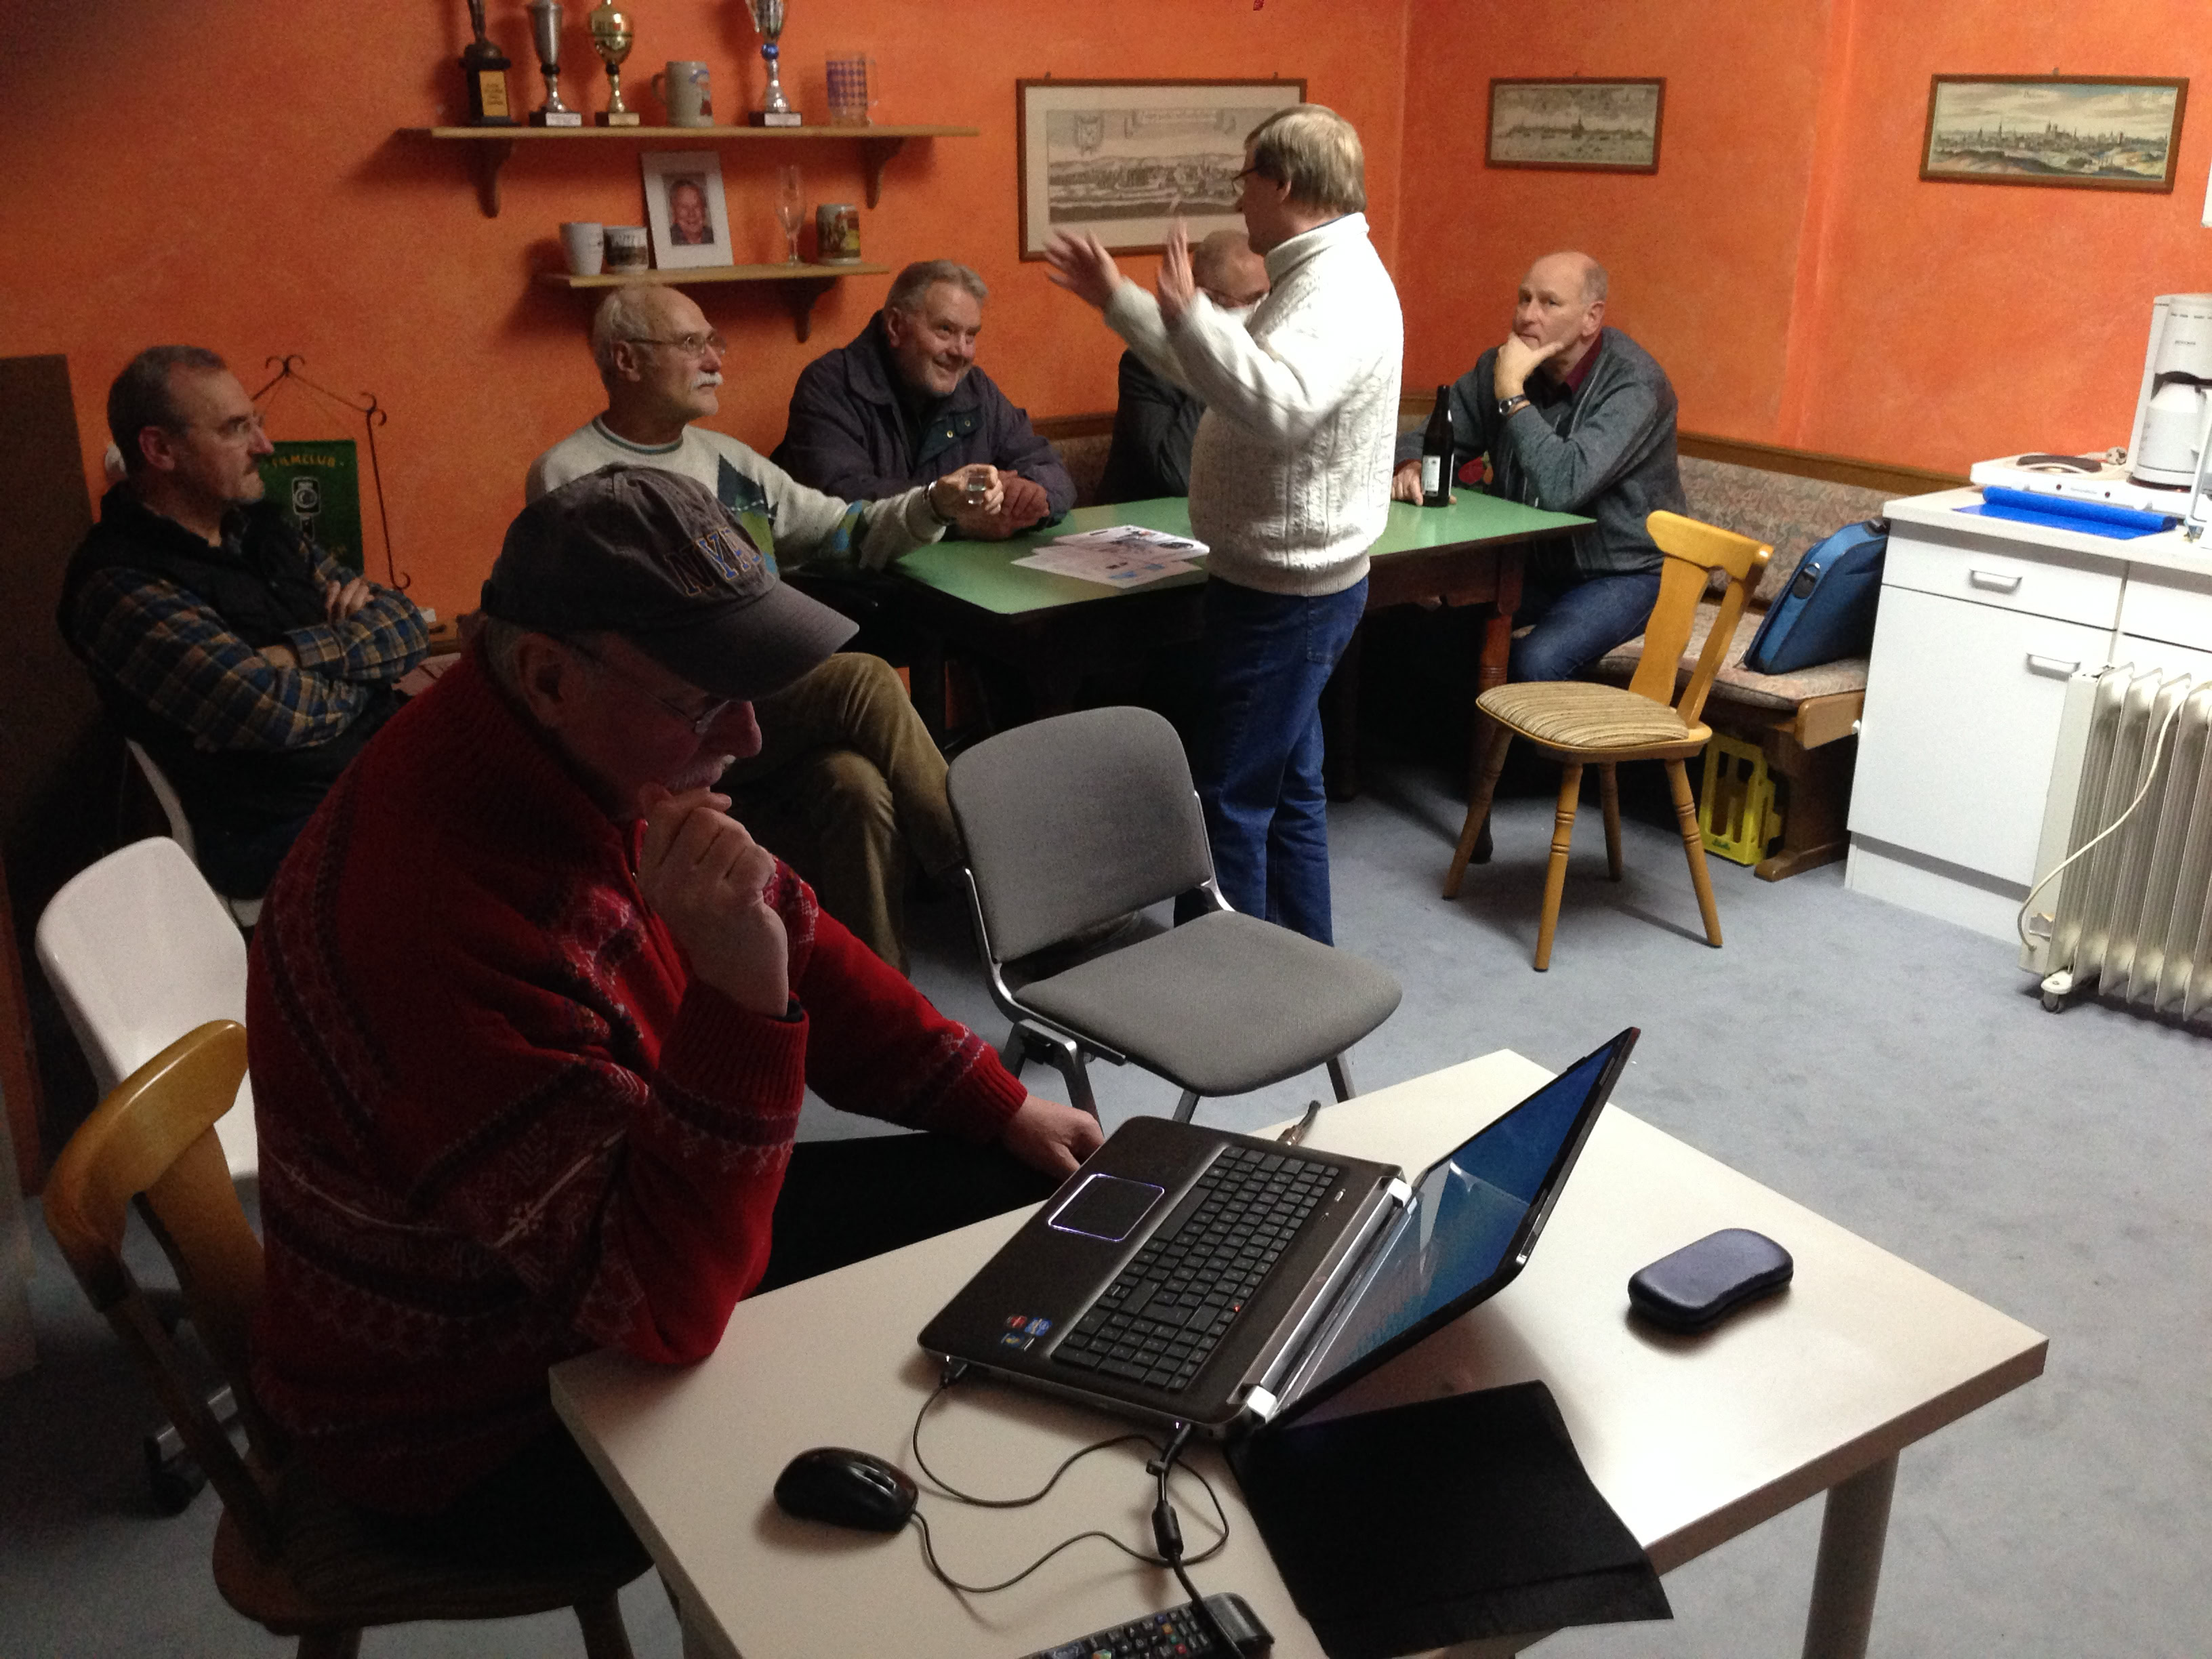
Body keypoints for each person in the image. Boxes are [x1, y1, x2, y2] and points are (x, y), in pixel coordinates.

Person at [246, 466, 1102, 1570]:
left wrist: (994, 1101)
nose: (747, 734)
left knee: (1014, 1196)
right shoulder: (429, 926)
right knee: (891, 1429)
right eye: (703, 702)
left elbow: (788, 921)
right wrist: (743, 1002)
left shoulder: (583, 760)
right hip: (469, 1422)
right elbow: (658, 1308)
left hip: (610, 1228)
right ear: (548, 676)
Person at [529, 285, 1007, 972]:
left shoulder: (732, 463)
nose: (715, 360)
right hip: (671, 720)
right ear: (626, 360)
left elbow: (845, 533)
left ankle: (880, 995)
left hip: (758, 710)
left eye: (713, 342)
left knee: (855, 785)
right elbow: (596, 643)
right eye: (692, 344)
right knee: (865, 680)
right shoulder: (571, 477)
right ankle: (999, 880)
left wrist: (934, 502)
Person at [1043, 105, 1401, 946]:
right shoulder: (1312, 273)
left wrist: (1190, 315)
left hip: (1288, 597)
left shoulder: (1339, 289)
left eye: (1245, 179)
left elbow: (1279, 406)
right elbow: (1221, 368)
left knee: (1229, 800)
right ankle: (1306, 966)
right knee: (1289, 793)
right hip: (1280, 586)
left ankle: (1222, 980)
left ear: (1285, 184)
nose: (1238, 197)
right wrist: (1127, 302)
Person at [59, 346, 428, 899]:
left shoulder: (257, 530)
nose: (265, 446)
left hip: (376, 763)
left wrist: (296, 655)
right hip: (280, 825)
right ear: (160, 449)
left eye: (258, 423)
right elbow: (276, 714)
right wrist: (366, 668)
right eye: (236, 429)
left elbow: (405, 624)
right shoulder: (120, 584)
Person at [1391, 252, 1684, 681]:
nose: (1528, 315)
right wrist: (1413, 465)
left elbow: (1563, 485)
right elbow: (1428, 436)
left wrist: (1512, 395)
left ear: (1591, 318)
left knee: (1537, 661)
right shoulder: (1499, 367)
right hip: (1528, 565)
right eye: (1523, 298)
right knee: (1420, 630)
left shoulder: (1633, 383)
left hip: (1624, 574)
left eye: (1549, 303)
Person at [774, 260, 1075, 539]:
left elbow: (1049, 468)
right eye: (945, 330)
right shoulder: (831, 385)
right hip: (854, 576)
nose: (962, 352)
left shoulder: (977, 390)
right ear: (896, 326)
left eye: (970, 336)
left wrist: (1034, 494)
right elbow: (842, 497)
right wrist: (957, 514)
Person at [1098, 230, 1271, 504]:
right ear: (1209, 301)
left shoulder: (1263, 360)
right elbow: (1176, 474)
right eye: (1253, 300)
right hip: (1144, 520)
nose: (1263, 310)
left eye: (1270, 296)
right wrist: (1212, 362)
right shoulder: (1144, 364)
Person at [667, 176, 712, 245]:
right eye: (684, 207)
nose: (691, 214)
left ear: (704, 208)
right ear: (674, 211)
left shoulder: (716, 237)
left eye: (696, 206)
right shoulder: (666, 241)